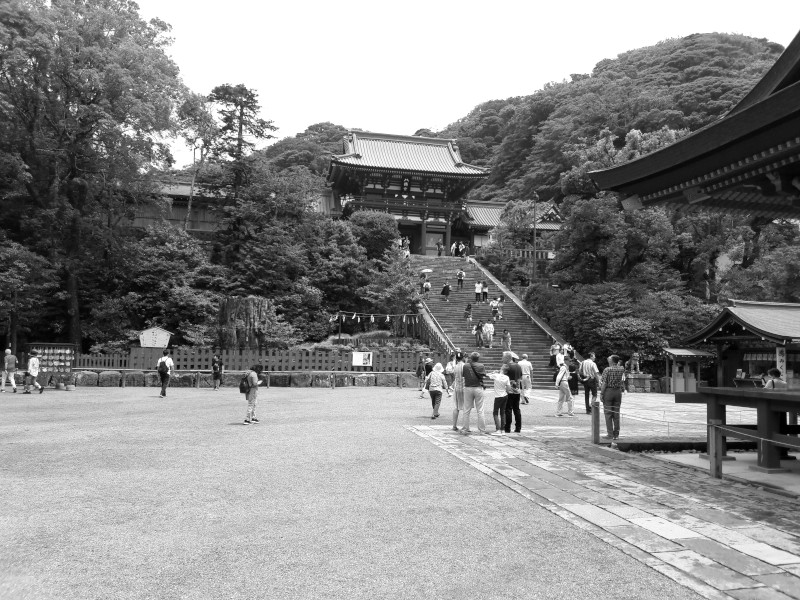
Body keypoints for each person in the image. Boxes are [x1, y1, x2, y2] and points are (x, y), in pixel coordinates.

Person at [599, 355, 626, 440]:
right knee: (616, 413)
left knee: (608, 413)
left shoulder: (607, 370)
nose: (608, 359)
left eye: (609, 358)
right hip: (618, 392)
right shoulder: (621, 369)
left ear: (612, 361)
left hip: (609, 391)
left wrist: (601, 393)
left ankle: (610, 434)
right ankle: (616, 434)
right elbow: (622, 381)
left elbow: (604, 383)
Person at [461, 352, 488, 435]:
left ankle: (465, 428)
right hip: (478, 387)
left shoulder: (465, 366)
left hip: (468, 387)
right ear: (478, 358)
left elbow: (464, 376)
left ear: (471, 358)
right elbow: (483, 375)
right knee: (480, 410)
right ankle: (482, 430)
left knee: (466, 409)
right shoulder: (481, 366)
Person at [489, 364, 510, 433]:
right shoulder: (507, 377)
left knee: (495, 412)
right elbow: (508, 388)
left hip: (498, 396)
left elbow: (487, 375)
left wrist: (493, 372)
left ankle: (498, 429)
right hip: (504, 395)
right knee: (502, 412)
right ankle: (503, 429)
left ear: (502, 369)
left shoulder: (496, 375)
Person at [505, 353, 523, 433]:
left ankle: (507, 427)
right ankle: (518, 427)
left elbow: (503, 377)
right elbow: (520, 376)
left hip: (509, 389)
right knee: (516, 409)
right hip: (517, 388)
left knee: (508, 408)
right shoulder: (518, 366)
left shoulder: (507, 366)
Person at [451, 352, 466, 431]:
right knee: (465, 408)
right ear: (463, 358)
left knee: (456, 407)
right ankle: (465, 426)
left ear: (456, 358)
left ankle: (454, 425)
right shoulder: (465, 366)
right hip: (464, 388)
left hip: (457, 388)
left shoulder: (455, 367)